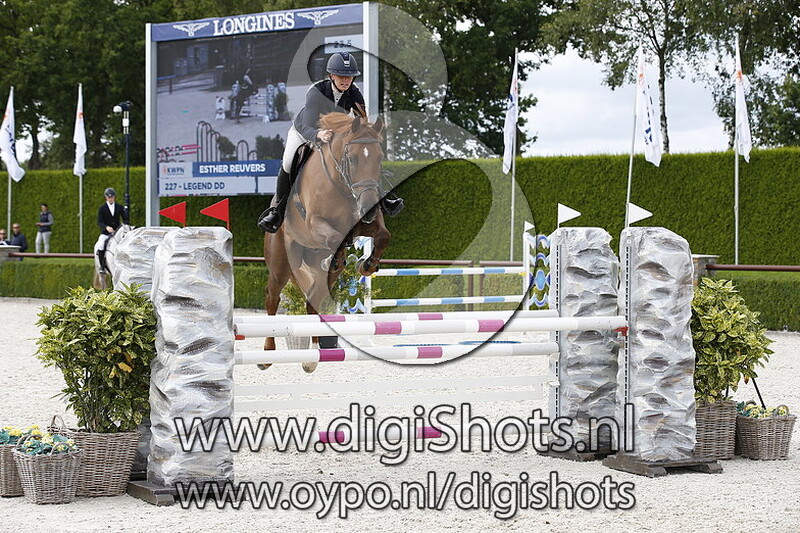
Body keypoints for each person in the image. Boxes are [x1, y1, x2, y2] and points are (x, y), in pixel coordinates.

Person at [257, 52, 404, 233]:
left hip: (334, 135)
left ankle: (384, 198)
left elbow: (362, 122)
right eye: (341, 76)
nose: (346, 80)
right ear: (331, 76)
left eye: (349, 76)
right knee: (287, 162)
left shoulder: (354, 93)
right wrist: (318, 134)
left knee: (363, 157)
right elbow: (307, 125)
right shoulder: (316, 92)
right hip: (305, 132)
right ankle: (277, 211)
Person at [96, 188, 124, 274]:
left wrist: (123, 227)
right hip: (106, 233)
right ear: (106, 197)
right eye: (109, 197)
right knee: (101, 245)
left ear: (114, 197)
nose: (110, 199)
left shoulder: (119, 207)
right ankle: (102, 266)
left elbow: (125, 219)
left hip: (117, 232)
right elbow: (99, 222)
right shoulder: (102, 208)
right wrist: (106, 227)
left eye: (112, 197)